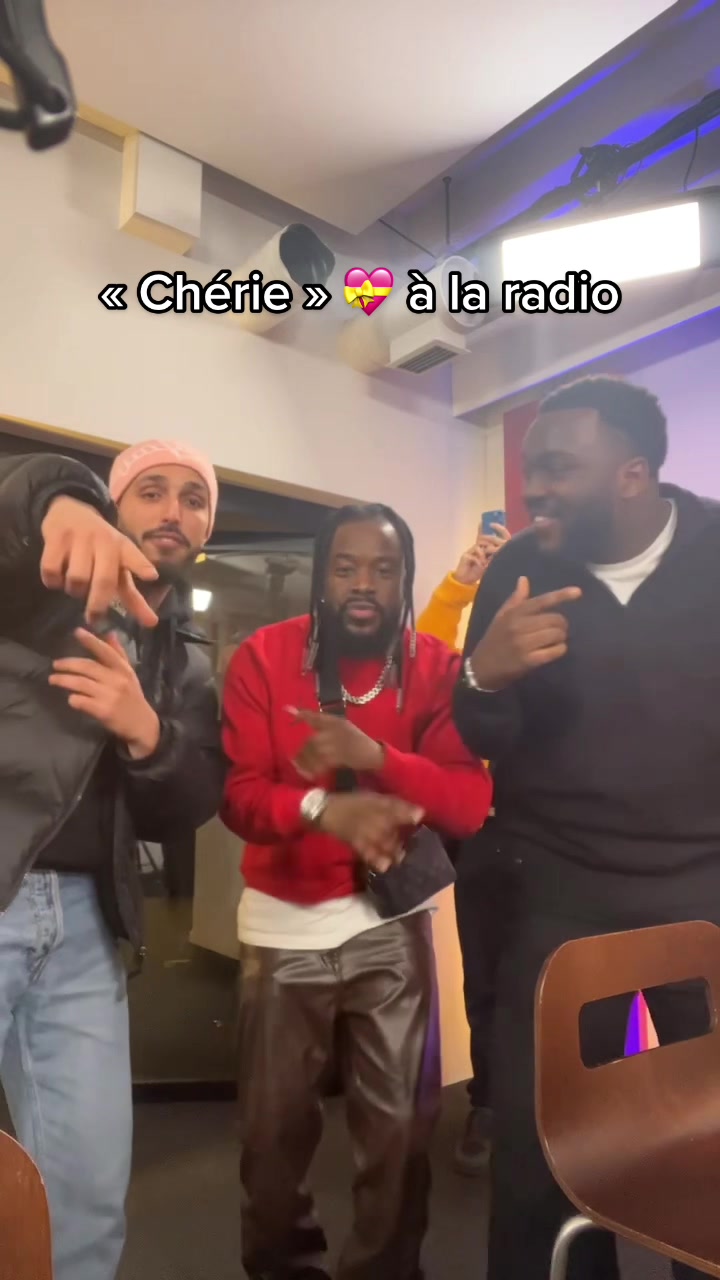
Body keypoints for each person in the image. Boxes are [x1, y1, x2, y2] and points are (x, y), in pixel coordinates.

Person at [452, 374, 715, 1280]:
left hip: (704, 886)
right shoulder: (520, 570)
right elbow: (480, 731)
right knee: (544, 1155)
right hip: (556, 890)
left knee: (711, 1147)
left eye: (559, 468)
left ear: (633, 474)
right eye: (533, 468)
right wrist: (483, 676)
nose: (536, 489)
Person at [221, 503, 493, 1280]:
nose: (363, 585)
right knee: (271, 1145)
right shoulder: (264, 658)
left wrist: (377, 758)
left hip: (390, 927)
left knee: (403, 1138)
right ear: (322, 576)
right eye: (346, 568)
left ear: (407, 579)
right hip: (281, 928)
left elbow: (468, 803)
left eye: (383, 569)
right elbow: (240, 797)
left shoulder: (437, 668)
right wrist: (320, 808)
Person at [0, 440, 226, 1280]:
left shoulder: (186, 659)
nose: (173, 512)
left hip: (91, 927)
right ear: (114, 506)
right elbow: (19, 501)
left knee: (87, 1196)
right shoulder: (32, 585)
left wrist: (149, 733)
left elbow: (188, 804)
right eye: (151, 491)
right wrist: (59, 501)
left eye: (194, 499)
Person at [418, 523, 515, 1176]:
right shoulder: (468, 657)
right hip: (483, 832)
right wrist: (463, 583)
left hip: (561, 834)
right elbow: (425, 653)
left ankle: (564, 1104)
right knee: (484, 977)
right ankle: (489, 1103)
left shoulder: (559, 626)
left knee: (559, 976)